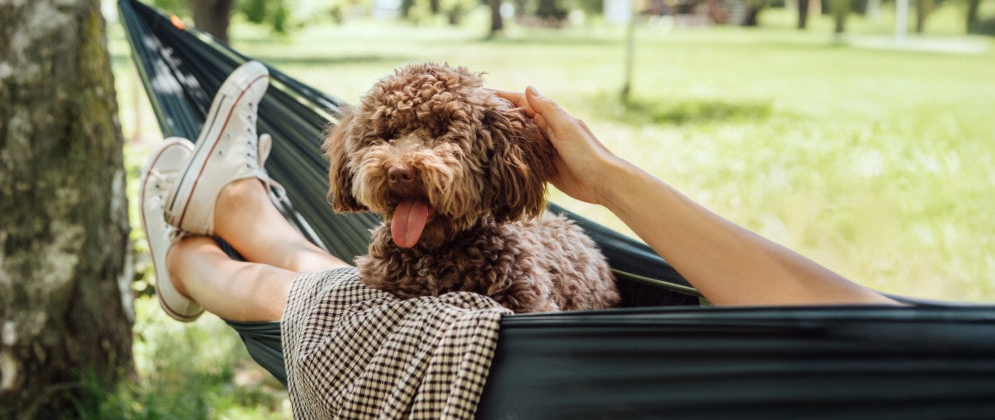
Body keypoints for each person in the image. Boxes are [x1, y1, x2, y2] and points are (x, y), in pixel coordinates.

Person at [140, 63, 896, 326]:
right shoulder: (392, 243)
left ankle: (201, 247)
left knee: (327, 304)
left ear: (494, 162)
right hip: (401, 295)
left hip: (504, 343)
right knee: (341, 290)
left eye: (437, 137)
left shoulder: (515, 271)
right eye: (384, 139)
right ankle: (226, 215)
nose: (401, 163)